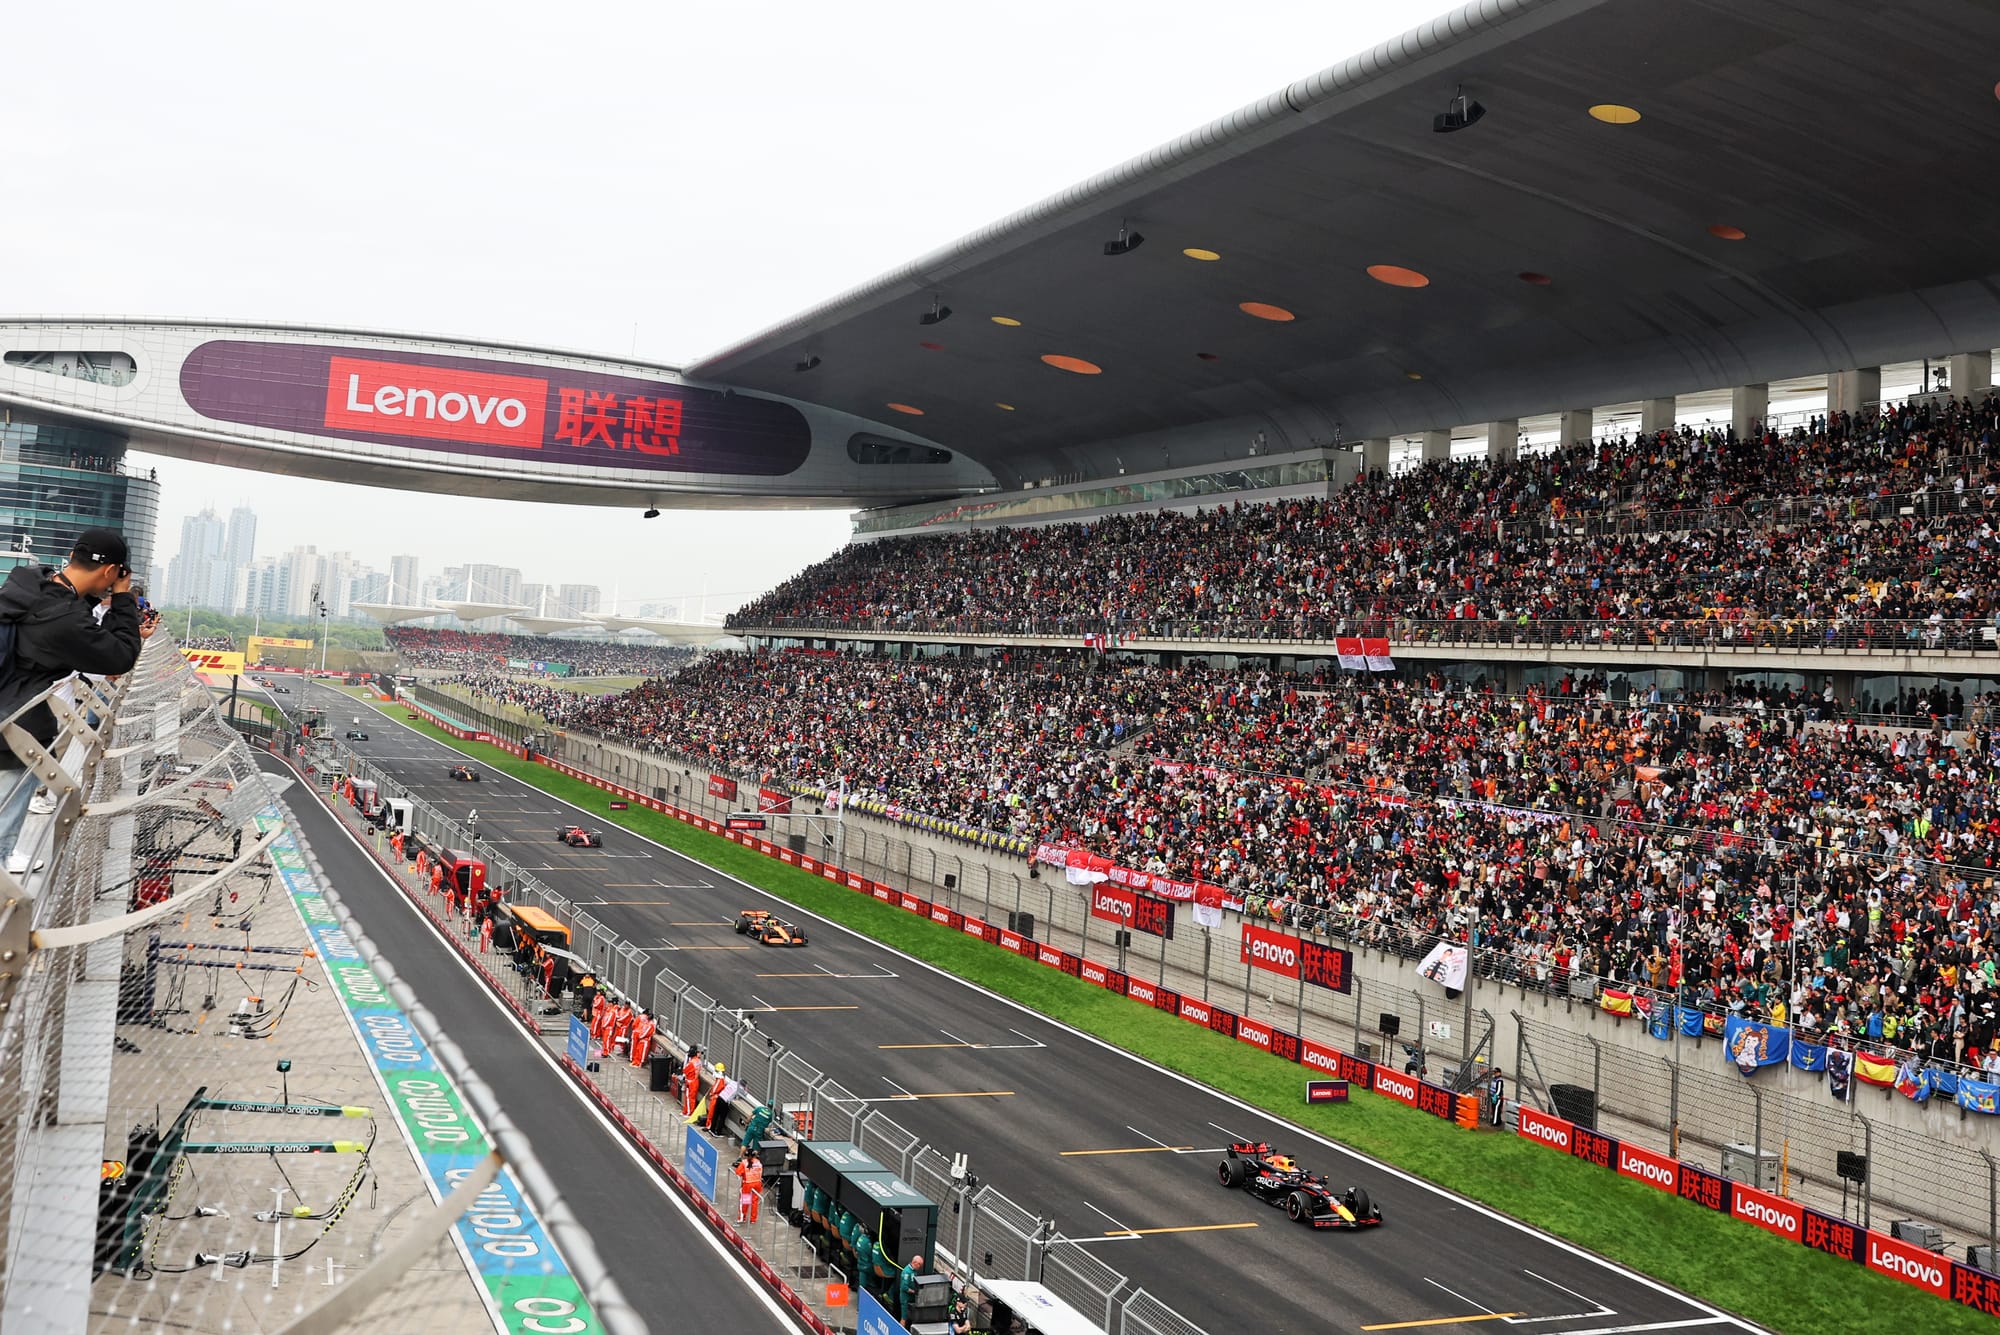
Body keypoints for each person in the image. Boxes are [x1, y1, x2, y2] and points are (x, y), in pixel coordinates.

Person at [732, 1147, 764, 1223]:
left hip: (747, 1184)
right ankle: (753, 1219)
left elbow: (738, 1173)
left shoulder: (744, 1163)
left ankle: (742, 1218)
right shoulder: (758, 1162)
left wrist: (737, 1167)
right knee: (754, 1202)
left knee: (745, 1201)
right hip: (758, 1184)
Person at [895, 1252, 926, 1323]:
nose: (920, 1267)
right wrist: (914, 1292)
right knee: (904, 1317)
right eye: (919, 1265)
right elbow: (904, 1287)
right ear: (915, 1263)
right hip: (906, 1298)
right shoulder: (907, 1272)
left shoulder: (914, 1271)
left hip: (912, 1297)